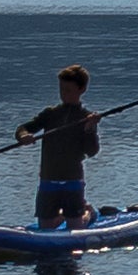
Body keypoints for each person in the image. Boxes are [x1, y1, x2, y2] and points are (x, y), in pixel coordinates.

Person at [19, 66, 104, 226]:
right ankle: (62, 216)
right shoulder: (50, 114)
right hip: (48, 180)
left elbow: (91, 151)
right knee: (45, 226)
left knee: (75, 227)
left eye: (69, 90)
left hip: (72, 180)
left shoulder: (86, 118)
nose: (64, 94)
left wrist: (89, 130)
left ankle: (88, 213)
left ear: (82, 89)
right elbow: (22, 128)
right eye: (62, 89)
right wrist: (24, 136)